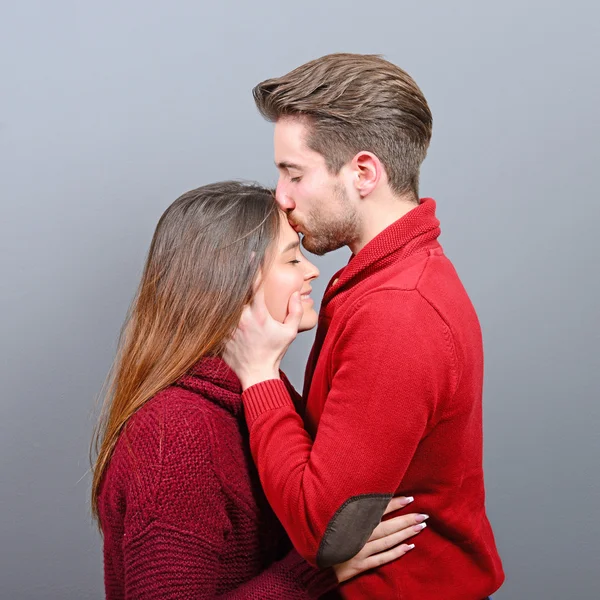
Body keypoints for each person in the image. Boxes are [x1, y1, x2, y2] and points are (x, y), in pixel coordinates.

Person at [223, 54, 505, 599]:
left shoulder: (398, 311)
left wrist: (258, 377)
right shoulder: (385, 280)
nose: (281, 196)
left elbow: (324, 535)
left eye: (294, 173)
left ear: (362, 173)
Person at [90, 181, 427, 599]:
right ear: (232, 281)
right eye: (291, 258)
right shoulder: (174, 432)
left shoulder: (257, 392)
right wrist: (314, 569)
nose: (311, 270)